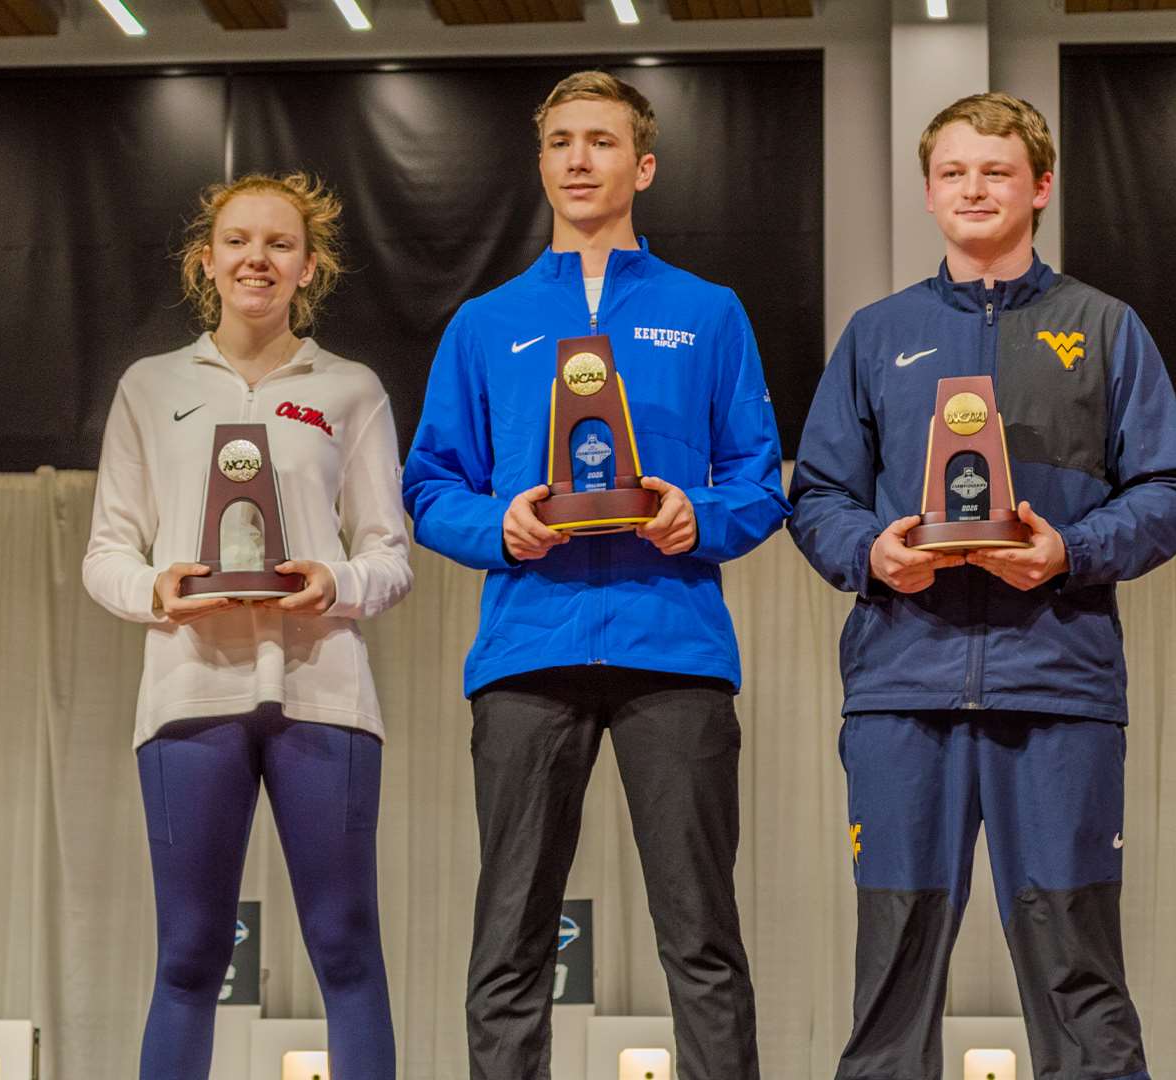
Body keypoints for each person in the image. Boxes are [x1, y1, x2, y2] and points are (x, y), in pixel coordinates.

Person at [788, 92, 1176, 1080]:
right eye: (953, 173)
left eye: (996, 171)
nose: (974, 188)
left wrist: (1070, 549)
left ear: (1041, 186)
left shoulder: (1103, 328)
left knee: (1079, 974)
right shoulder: (875, 335)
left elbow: (1172, 488)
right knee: (891, 977)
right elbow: (816, 496)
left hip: (1056, 690)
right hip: (901, 689)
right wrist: (872, 552)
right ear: (930, 193)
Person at [401, 71, 789, 1080]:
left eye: (603, 142)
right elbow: (432, 486)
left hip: (675, 648)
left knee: (700, 933)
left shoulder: (709, 314)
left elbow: (759, 481)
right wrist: (503, 524)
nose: (581, 158)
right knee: (513, 934)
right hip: (529, 648)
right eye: (562, 141)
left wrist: (693, 513)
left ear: (643, 165)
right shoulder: (483, 325)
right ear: (541, 165)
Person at [83, 172, 410, 1080]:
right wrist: (162, 591)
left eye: (278, 244)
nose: (256, 259)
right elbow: (106, 550)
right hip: (189, 691)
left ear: (309, 267)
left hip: (325, 693)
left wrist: (333, 581)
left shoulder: (350, 389)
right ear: (207, 261)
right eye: (236, 241)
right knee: (189, 955)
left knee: (346, 950)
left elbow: (391, 552)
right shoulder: (150, 387)